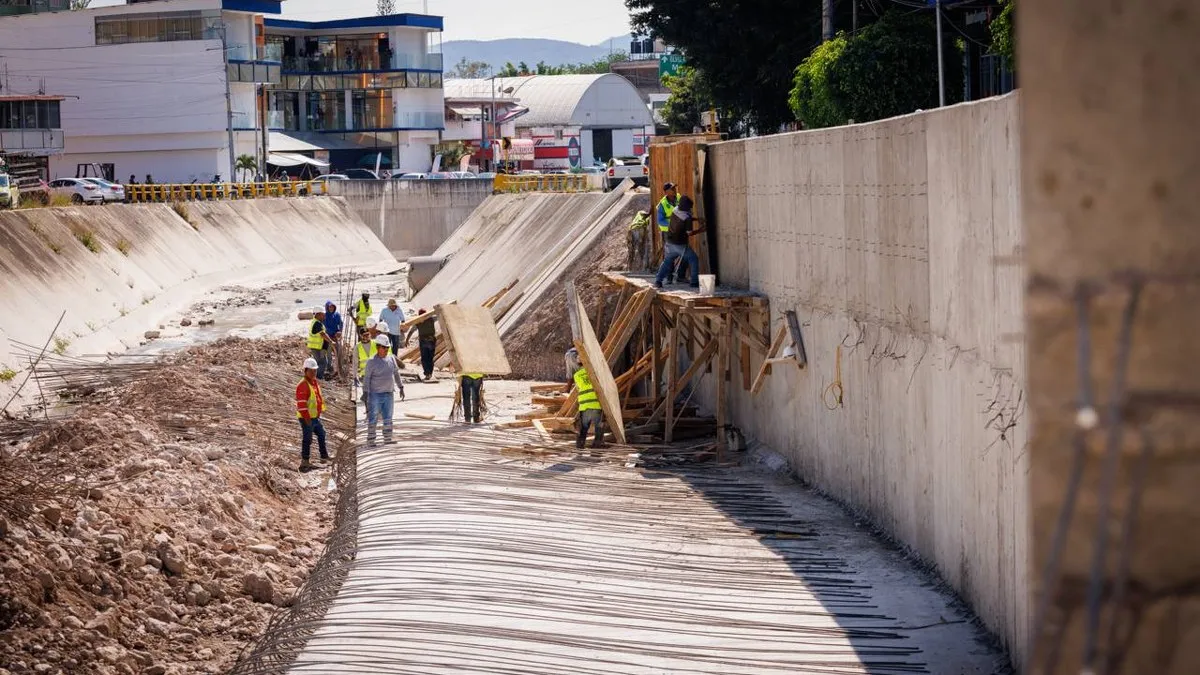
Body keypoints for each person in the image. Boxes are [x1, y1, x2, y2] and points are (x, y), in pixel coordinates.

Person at [655, 195, 705, 289]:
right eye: (690, 207)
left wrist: (696, 219)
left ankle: (658, 281)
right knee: (693, 259)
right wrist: (701, 230)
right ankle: (694, 282)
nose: (691, 209)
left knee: (667, 262)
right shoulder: (687, 218)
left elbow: (685, 217)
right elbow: (689, 233)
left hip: (669, 243)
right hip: (680, 245)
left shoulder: (675, 210)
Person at [364, 334, 405, 446]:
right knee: (373, 417)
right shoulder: (371, 361)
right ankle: (371, 440)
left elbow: (396, 373)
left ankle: (387, 438)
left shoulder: (391, 358)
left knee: (388, 417)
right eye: (384, 347)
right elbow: (367, 378)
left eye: (387, 348)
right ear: (378, 347)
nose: (386, 350)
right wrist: (365, 393)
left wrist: (401, 387)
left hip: (389, 393)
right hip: (375, 394)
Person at [296, 357, 329, 472]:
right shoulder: (303, 385)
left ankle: (324, 456)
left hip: (314, 417)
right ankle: (305, 461)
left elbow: (317, 399)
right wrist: (307, 419)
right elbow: (301, 405)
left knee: (322, 434)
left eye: (315, 370)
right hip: (307, 418)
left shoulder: (314, 383)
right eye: (311, 371)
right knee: (307, 439)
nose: (314, 373)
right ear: (305, 370)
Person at [657, 182, 687, 283]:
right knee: (670, 255)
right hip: (668, 233)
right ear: (666, 192)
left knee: (685, 252)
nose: (674, 190)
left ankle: (681, 276)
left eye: (674, 188)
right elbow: (660, 220)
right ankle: (669, 277)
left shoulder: (679, 198)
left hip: (680, 231)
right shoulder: (662, 204)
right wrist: (672, 225)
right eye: (672, 189)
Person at [573, 362, 605, 450]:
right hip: (595, 404)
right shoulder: (595, 373)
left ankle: (580, 445)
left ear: (579, 365)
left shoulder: (576, 375)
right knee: (598, 427)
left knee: (584, 428)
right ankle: (596, 446)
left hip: (584, 405)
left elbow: (578, 388)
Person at [404, 309, 437, 381]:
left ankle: (427, 373)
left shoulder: (417, 322)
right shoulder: (431, 319)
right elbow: (439, 316)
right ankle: (429, 373)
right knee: (430, 358)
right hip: (431, 341)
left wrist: (407, 340)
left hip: (423, 341)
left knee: (424, 358)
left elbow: (411, 331)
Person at [306, 307, 332, 380]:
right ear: (318, 314)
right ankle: (318, 378)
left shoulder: (318, 322)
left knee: (320, 362)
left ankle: (316, 377)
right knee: (323, 363)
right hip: (316, 347)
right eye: (323, 314)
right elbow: (323, 334)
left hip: (318, 347)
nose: (324, 316)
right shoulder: (317, 323)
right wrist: (331, 341)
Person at [322, 301, 343, 378]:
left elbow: (340, 323)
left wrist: (339, 331)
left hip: (335, 336)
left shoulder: (336, 315)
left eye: (332, 307)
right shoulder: (324, 316)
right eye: (330, 307)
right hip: (328, 337)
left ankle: (338, 368)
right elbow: (324, 327)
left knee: (338, 352)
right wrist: (331, 333)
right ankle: (329, 367)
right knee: (328, 353)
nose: (331, 308)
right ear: (327, 307)